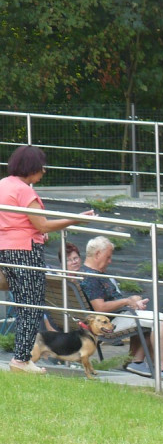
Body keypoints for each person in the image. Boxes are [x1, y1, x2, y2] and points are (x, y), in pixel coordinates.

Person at [0, 145, 91, 374]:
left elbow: (18, 222)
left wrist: (39, 231)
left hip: (5, 250)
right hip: (25, 252)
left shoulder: (3, 185)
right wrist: (74, 220)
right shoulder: (24, 191)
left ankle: (22, 358)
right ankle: (21, 360)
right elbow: (41, 224)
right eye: (42, 167)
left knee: (23, 305)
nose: (44, 171)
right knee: (31, 307)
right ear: (31, 167)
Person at [79, 235, 163, 379]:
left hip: (119, 315)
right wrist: (126, 302)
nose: (110, 261)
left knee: (146, 318)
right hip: (110, 322)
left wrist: (132, 302)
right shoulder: (91, 278)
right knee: (160, 320)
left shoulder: (90, 273)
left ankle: (136, 361)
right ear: (98, 254)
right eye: (108, 257)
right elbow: (100, 308)